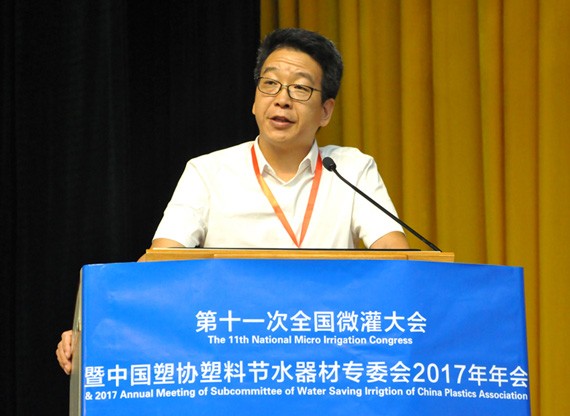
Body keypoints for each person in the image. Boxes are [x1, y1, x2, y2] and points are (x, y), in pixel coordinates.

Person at [56, 27, 409, 375]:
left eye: (300, 88)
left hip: (327, 354)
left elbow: (398, 260)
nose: (282, 99)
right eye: (270, 84)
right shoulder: (208, 172)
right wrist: (96, 328)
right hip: (233, 361)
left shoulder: (351, 169)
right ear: (255, 100)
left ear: (326, 111)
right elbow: (159, 263)